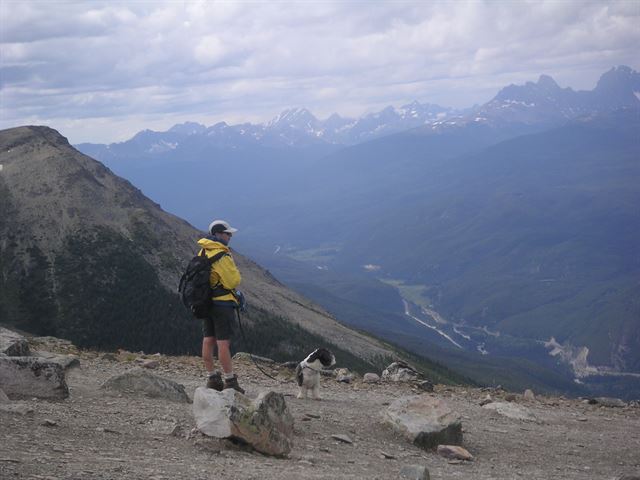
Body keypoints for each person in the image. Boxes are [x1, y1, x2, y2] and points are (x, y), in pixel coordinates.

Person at [197, 219, 245, 393]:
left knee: (208, 339)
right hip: (222, 303)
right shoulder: (222, 254)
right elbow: (233, 281)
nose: (230, 236)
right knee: (223, 343)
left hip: (205, 302)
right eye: (227, 233)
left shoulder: (203, 250)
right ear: (218, 234)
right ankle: (230, 381)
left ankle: (212, 378)